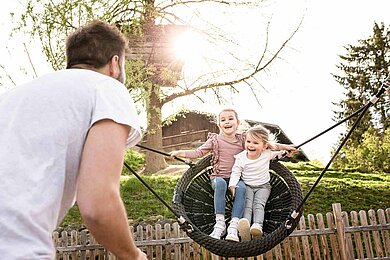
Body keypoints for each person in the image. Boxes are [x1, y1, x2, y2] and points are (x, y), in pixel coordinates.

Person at [0, 20, 147, 259]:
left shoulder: (12, 97)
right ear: (115, 64)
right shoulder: (107, 88)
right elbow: (97, 204)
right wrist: (134, 255)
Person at [170, 108, 246, 242]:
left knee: (242, 188)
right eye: (223, 120)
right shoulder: (215, 140)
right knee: (221, 184)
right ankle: (220, 224)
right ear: (219, 125)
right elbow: (198, 153)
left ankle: (233, 226)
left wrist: (284, 149)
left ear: (238, 122)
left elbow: (261, 145)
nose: (227, 122)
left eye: (230, 119)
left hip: (236, 178)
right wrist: (181, 152)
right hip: (219, 177)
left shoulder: (243, 140)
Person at [228, 124, 297, 241]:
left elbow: (279, 153)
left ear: (264, 146)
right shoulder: (241, 158)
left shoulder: (266, 154)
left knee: (259, 205)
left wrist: (287, 151)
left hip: (263, 187)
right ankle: (245, 226)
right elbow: (236, 172)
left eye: (255, 143)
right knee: (248, 206)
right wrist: (232, 185)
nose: (250, 145)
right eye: (248, 141)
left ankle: (257, 226)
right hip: (248, 186)